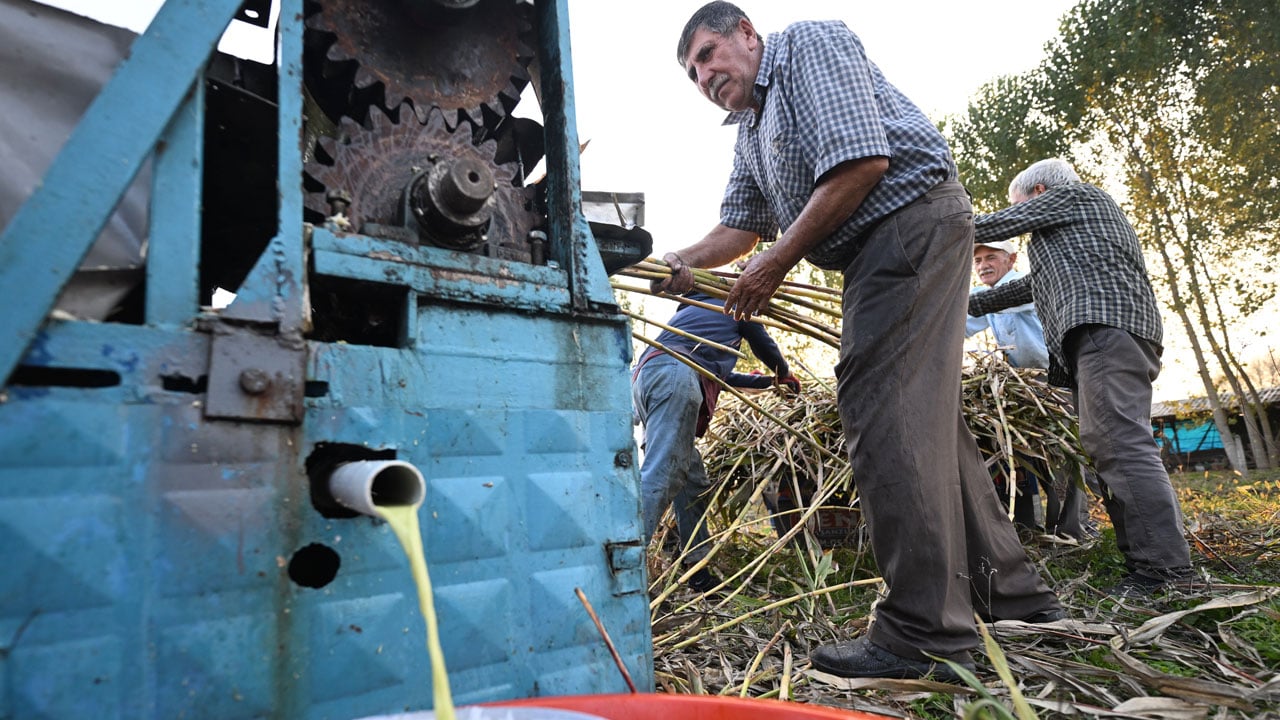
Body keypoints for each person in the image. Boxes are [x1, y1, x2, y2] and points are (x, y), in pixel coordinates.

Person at [664, 2, 1063, 681]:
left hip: (905, 225)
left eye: (707, 55)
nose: (704, 77)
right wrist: (673, 262)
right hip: (876, 251)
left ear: (746, 35)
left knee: (881, 409)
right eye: (692, 74)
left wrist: (774, 264)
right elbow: (738, 229)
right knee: (924, 419)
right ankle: (1012, 595)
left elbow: (862, 163)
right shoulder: (751, 130)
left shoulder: (808, 47)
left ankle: (924, 632)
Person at [969, 158, 1194, 595]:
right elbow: (1030, 286)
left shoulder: (1076, 195)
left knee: (1119, 444)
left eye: (1022, 207)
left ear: (1038, 195)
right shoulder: (1075, 242)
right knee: (1105, 445)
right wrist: (968, 304)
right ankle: (1145, 565)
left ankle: (1166, 571)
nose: (1024, 220)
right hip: (1102, 338)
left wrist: (934, 225)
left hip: (1106, 331)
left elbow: (999, 223)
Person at [632, 291, 800, 593]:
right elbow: (763, 344)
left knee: (692, 484)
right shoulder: (734, 300)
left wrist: (769, 383)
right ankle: (623, 566)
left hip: (651, 376)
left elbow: (724, 376)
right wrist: (784, 373)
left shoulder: (697, 313)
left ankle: (695, 569)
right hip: (675, 376)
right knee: (662, 473)